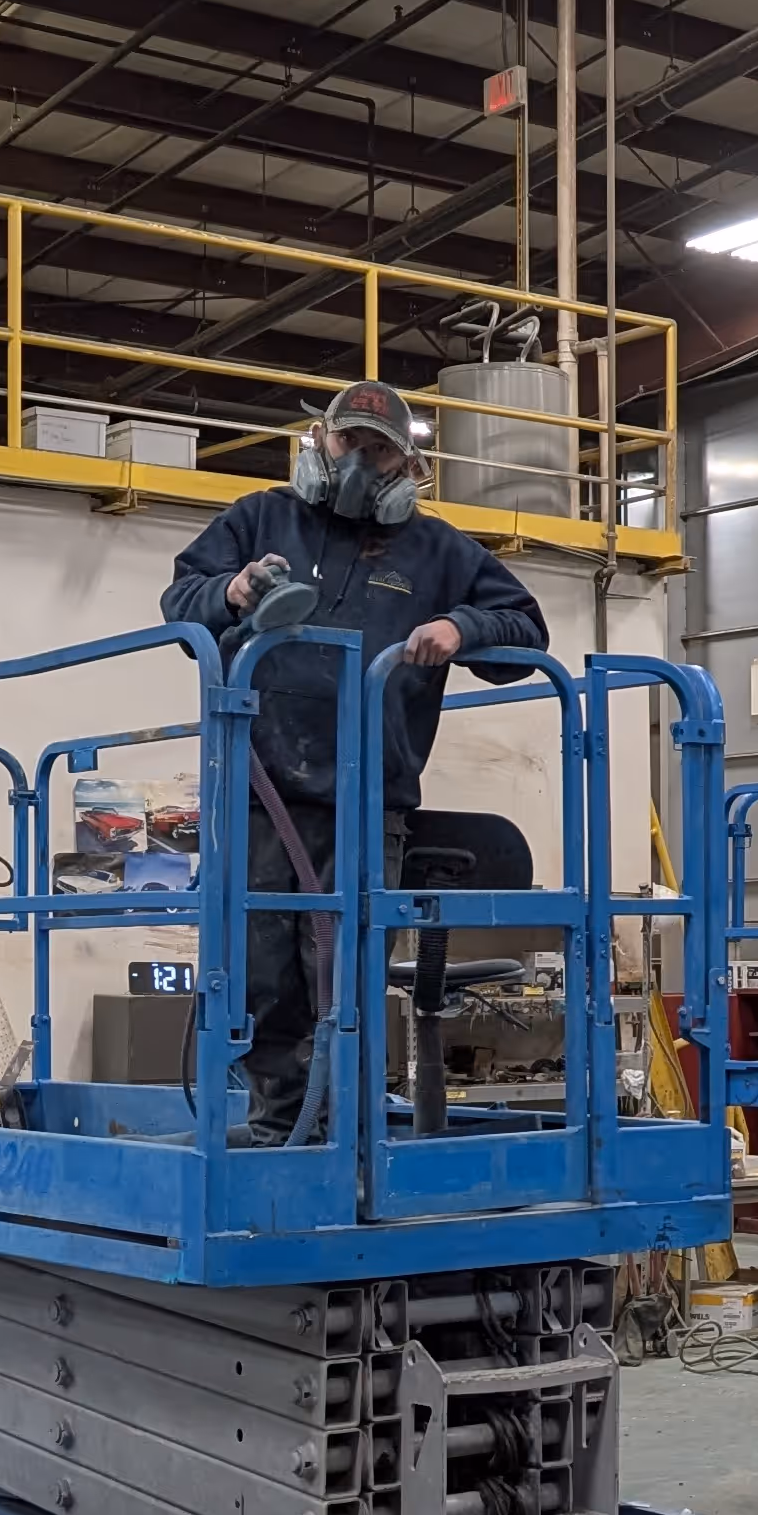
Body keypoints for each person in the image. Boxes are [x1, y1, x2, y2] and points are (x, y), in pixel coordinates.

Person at [159, 383, 548, 1140]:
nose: (361, 463)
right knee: (263, 973)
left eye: (380, 450)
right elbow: (180, 599)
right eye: (350, 444)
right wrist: (230, 591)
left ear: (409, 461)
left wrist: (462, 625)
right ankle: (283, 1127)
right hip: (260, 793)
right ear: (319, 441)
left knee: (347, 979)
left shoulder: (439, 551)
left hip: (372, 804)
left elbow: (527, 631)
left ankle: (347, 1135)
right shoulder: (260, 518)